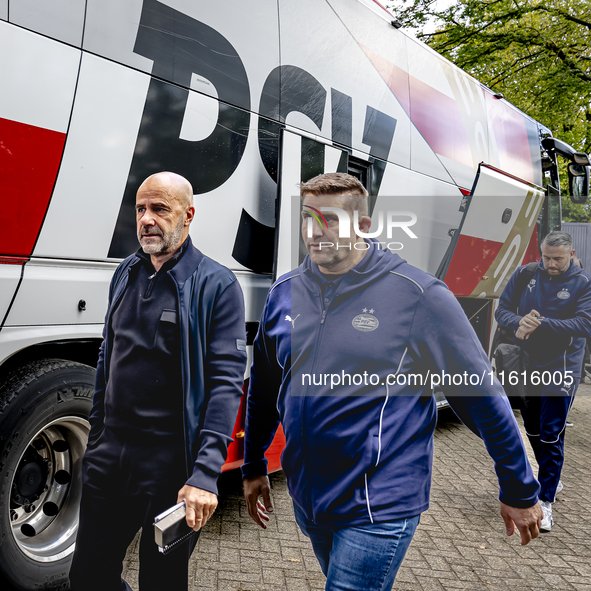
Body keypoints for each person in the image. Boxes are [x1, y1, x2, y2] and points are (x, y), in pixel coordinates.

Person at [242, 172, 542, 591]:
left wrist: (519, 486)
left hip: (380, 500)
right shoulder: (285, 292)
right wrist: (253, 462)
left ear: (363, 225)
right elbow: (264, 387)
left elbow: (480, 396)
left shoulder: (419, 295)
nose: (315, 231)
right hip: (311, 498)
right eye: (308, 218)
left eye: (330, 220)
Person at [69, 172, 247, 591]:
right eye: (141, 209)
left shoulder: (217, 285)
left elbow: (226, 382)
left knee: (162, 582)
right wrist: (96, 438)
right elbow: (107, 357)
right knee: (88, 576)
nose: (146, 219)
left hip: (173, 467)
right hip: (111, 458)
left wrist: (205, 473)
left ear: (188, 216)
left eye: (160, 209)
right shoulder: (126, 273)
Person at [496, 230, 591, 532]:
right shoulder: (526, 273)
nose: (550, 263)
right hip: (526, 363)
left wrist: (540, 324)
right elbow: (503, 311)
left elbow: (585, 323)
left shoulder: (583, 284)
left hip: (562, 367)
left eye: (557, 259)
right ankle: (553, 476)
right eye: (546, 257)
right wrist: (519, 322)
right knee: (533, 427)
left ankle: (546, 502)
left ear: (571, 255)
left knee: (552, 432)